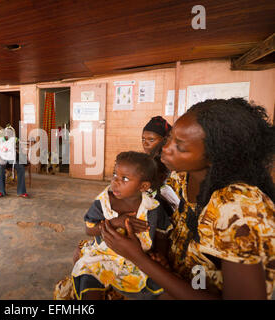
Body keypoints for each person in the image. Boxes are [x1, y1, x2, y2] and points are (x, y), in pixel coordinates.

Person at [101, 98, 274, 299]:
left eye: (180, 147)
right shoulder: (180, 178)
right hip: (177, 275)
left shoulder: (240, 208)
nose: (165, 149)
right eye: (169, 138)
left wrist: (139, 259)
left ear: (215, 155)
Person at [54, 152, 172, 300]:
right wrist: (116, 222)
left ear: (143, 186)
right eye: (114, 174)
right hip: (101, 258)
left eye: (125, 178)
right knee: (87, 281)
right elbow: (89, 229)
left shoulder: (154, 208)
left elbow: (162, 234)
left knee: (161, 289)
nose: (115, 182)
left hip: (137, 260)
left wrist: (160, 255)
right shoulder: (103, 203)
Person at [0, 126, 29, 198]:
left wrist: (17, 146)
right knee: (0, 167)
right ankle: (2, 191)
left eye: (10, 133)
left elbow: (19, 147)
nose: (8, 134)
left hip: (12, 159)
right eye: (6, 133)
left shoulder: (14, 140)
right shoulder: (0, 139)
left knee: (21, 168)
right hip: (3, 158)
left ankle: (21, 191)